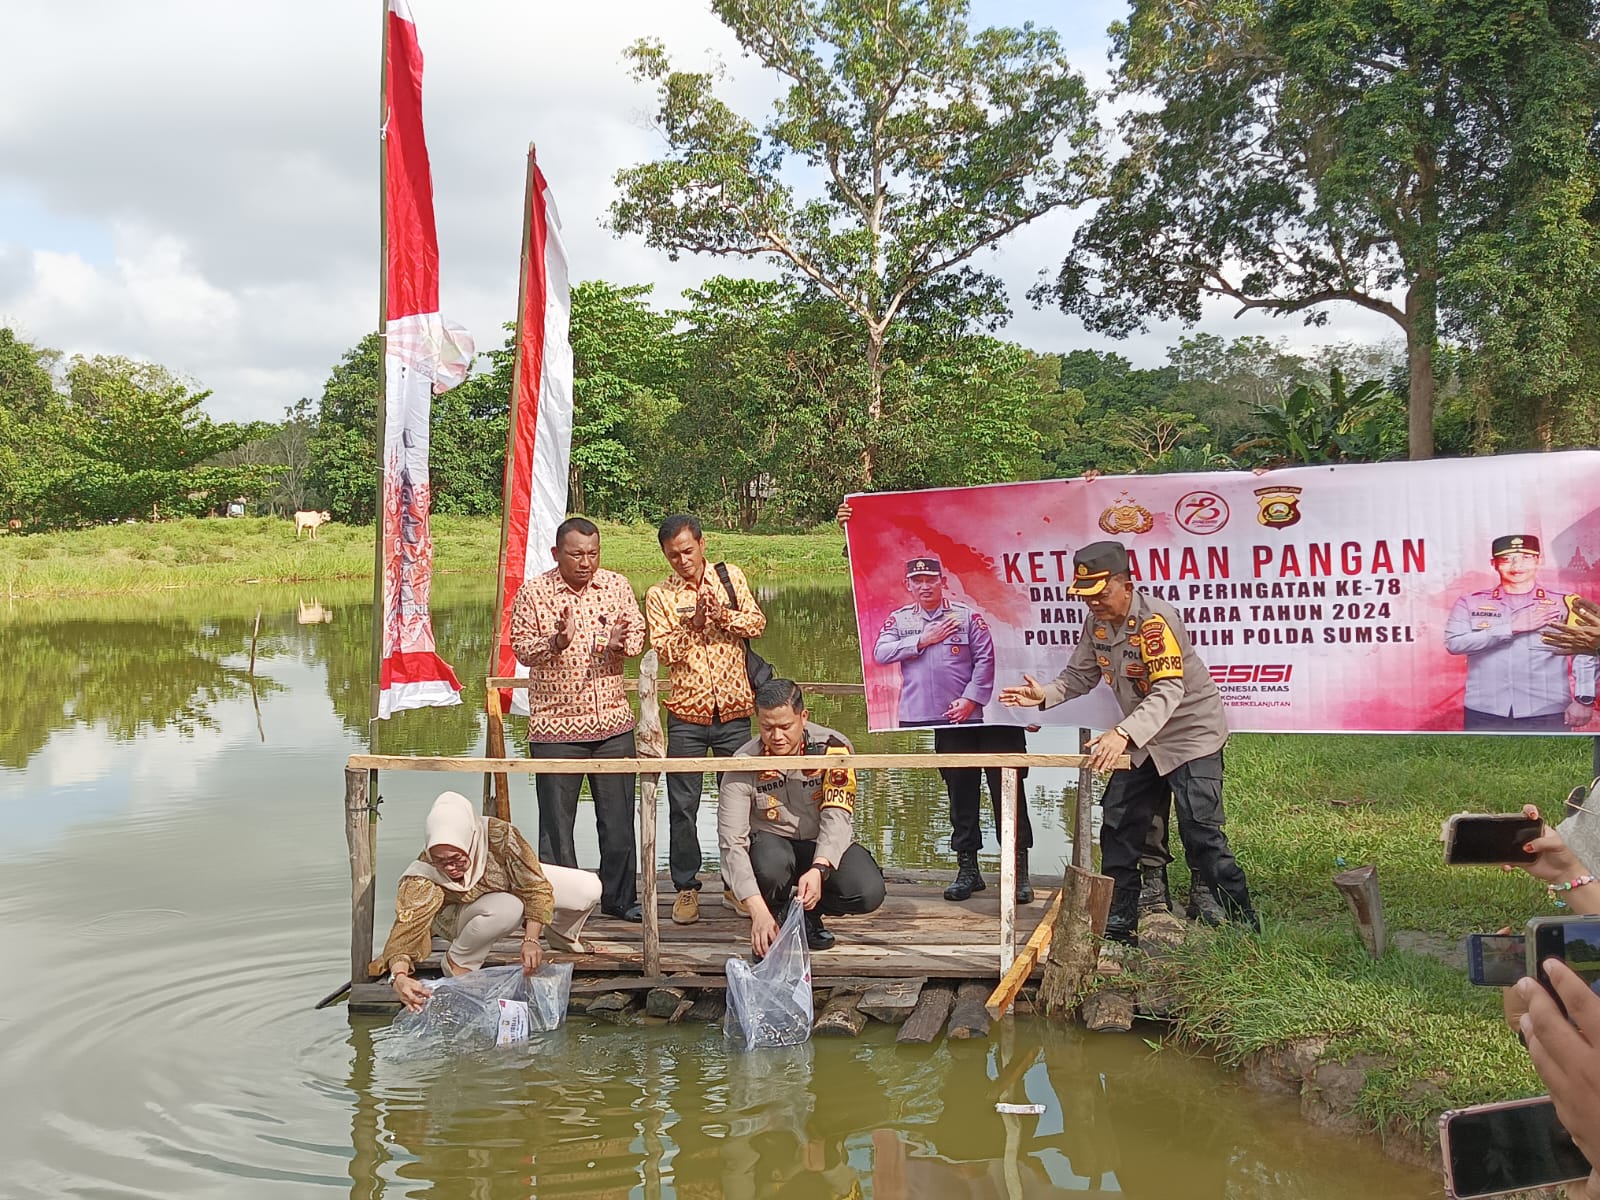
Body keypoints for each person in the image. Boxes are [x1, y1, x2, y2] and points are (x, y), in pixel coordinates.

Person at [999, 539, 1258, 945]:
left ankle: (1240, 919)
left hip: (1191, 734)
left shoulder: (1155, 621)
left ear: (1125, 584)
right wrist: (1044, 694)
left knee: (1201, 829)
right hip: (1144, 736)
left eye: (1100, 594)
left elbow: (1168, 691)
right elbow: (1079, 675)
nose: (1093, 604)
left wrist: (1121, 734)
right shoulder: (1096, 624)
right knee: (1120, 823)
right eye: (1086, 597)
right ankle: (1122, 918)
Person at [840, 500, 1035, 906]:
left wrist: (969, 699)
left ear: (945, 581)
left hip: (989, 716)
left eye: (932, 579)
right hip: (945, 722)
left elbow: (987, 659)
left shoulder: (969, 616)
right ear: (910, 585)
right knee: (960, 792)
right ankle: (968, 869)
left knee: (1008, 790)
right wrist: (923, 640)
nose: (926, 585)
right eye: (919, 581)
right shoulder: (900, 620)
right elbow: (881, 652)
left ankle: (1018, 871)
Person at [510, 516, 648, 922]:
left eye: (592, 553)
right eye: (576, 554)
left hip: (613, 727)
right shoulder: (535, 593)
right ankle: (561, 906)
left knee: (619, 822)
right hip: (556, 728)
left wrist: (623, 645)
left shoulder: (616, 586)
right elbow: (521, 648)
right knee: (556, 827)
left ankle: (620, 900)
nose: (586, 562)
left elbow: (637, 633)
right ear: (557, 554)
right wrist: (557, 642)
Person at [371, 790, 604, 1012]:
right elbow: (405, 931)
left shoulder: (498, 835)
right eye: (441, 861)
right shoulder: (423, 875)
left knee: (588, 888)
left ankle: (561, 933)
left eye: (457, 858)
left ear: (470, 840)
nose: (450, 867)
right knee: (508, 907)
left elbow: (535, 886)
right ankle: (459, 961)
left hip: (508, 882)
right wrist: (399, 977)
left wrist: (532, 939)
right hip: (463, 913)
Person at [645, 513, 768, 926]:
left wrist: (722, 617)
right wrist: (695, 625)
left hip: (735, 713)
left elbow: (757, 623)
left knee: (742, 804)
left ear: (702, 544)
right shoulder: (659, 595)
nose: (682, 560)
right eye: (673, 555)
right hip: (686, 715)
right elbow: (664, 652)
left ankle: (739, 886)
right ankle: (685, 887)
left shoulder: (729, 576)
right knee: (683, 805)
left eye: (687, 550)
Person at [718, 678, 887, 955]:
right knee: (770, 865)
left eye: (785, 727)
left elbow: (837, 815)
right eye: (767, 728)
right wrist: (756, 908)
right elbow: (731, 842)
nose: (777, 737)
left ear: (803, 717)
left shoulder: (833, 748)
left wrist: (820, 869)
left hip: (819, 846)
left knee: (867, 891)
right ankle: (773, 914)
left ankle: (806, 913)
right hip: (771, 849)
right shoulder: (742, 762)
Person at [1443, 534, 1597, 731]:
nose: (1517, 565)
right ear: (1494, 564)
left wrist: (1584, 700)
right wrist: (1511, 627)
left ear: (1538, 560)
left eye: (1526, 557)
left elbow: (1584, 653)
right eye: (1506, 559)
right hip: (1485, 710)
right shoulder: (1470, 602)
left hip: (1547, 710)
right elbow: (1454, 643)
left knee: (1548, 762)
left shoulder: (1566, 602)